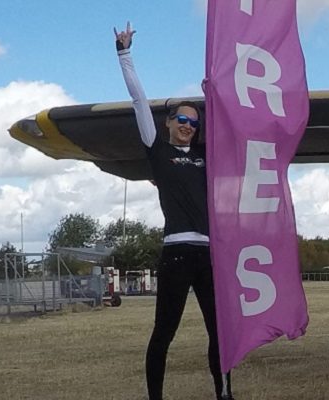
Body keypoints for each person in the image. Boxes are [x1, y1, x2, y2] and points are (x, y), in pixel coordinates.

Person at [115, 23, 233, 400]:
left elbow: (231, 127)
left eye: (194, 123)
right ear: (168, 124)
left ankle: (225, 393)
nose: (188, 126)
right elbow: (138, 100)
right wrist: (125, 54)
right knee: (164, 332)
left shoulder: (204, 155)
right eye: (181, 120)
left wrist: (213, 93)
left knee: (220, 332)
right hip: (176, 253)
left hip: (209, 255)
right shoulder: (157, 150)